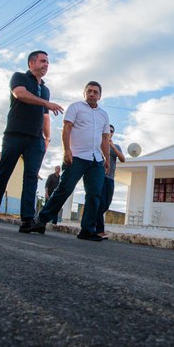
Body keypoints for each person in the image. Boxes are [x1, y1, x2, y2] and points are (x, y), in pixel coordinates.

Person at [0, 50, 63, 231]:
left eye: (48, 62)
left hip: (36, 140)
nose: (46, 65)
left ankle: (27, 220)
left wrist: (47, 138)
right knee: (4, 174)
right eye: (43, 61)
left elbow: (45, 117)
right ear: (31, 63)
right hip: (15, 134)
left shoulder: (46, 89)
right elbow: (20, 94)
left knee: (31, 178)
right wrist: (45, 103)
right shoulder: (19, 77)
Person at [30, 82, 110, 241]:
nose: (92, 94)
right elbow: (67, 128)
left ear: (100, 96)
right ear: (84, 93)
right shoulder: (76, 107)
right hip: (77, 156)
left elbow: (105, 138)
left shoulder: (103, 115)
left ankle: (87, 230)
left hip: (95, 159)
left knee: (94, 194)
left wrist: (106, 158)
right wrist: (67, 150)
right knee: (64, 189)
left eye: (95, 92)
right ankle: (41, 220)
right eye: (89, 91)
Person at [95, 125, 125, 238]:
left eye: (112, 131)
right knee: (100, 202)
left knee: (106, 204)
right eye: (108, 130)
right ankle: (99, 230)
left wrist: (112, 146)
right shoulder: (98, 143)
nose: (110, 132)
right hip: (100, 177)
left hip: (110, 178)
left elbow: (122, 159)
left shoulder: (115, 146)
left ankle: (93, 225)